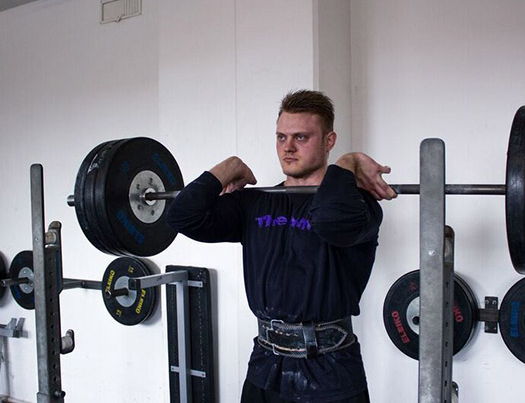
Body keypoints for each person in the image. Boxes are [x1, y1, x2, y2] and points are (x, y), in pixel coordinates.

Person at [166, 89, 396, 402]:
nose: (287, 147)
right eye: (281, 137)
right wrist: (226, 169)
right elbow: (182, 217)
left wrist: (348, 163)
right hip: (265, 366)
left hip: (329, 370)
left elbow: (329, 221)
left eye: (301, 137)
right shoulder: (256, 203)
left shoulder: (359, 208)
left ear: (329, 140)